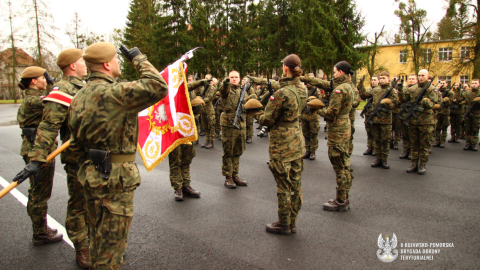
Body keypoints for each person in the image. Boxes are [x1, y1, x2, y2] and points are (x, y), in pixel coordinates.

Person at [68, 42, 169, 269]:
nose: (117, 63)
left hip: (92, 175)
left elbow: (74, 145)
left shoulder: (78, 97)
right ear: (106, 64)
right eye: (115, 59)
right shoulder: (116, 93)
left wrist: (88, 168)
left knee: (97, 242)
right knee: (111, 254)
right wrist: (137, 57)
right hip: (116, 180)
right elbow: (158, 85)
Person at [25, 49, 90, 267]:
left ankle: (96, 244)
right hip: (77, 159)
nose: (85, 64)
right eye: (81, 61)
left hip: (97, 158)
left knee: (95, 204)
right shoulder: (62, 91)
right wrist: (36, 159)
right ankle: (82, 249)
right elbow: (48, 127)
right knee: (79, 205)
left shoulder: (86, 86)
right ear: (72, 65)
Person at [248, 54, 308, 234]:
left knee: (283, 184)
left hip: (282, 143)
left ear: (285, 68)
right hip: (297, 140)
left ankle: (284, 223)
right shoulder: (302, 88)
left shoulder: (281, 94)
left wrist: (254, 112)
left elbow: (267, 119)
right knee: (296, 184)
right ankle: (293, 222)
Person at [13, 66, 61, 246]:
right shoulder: (34, 101)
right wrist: (54, 84)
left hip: (32, 148)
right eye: (43, 77)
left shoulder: (30, 99)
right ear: (34, 81)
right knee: (39, 194)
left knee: (36, 191)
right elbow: (57, 100)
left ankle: (41, 228)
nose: (45, 80)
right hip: (38, 151)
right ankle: (40, 233)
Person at [302, 61, 354, 211]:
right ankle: (343, 196)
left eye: (335, 71)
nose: (333, 74)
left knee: (339, 165)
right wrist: (306, 78)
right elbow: (324, 84)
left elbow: (331, 114)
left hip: (338, 130)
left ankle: (341, 200)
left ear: (341, 72)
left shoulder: (340, 90)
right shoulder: (346, 85)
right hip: (343, 128)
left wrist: (316, 109)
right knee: (343, 164)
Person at [169, 80, 208, 201]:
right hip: (174, 129)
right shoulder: (170, 90)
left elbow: (196, 112)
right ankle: (178, 187)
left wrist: (198, 104)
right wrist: (200, 82)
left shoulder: (191, 93)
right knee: (176, 160)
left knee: (187, 159)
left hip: (188, 129)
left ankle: (186, 185)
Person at [397, 69, 438, 174]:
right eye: (419, 75)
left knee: (424, 145)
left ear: (427, 76)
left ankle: (422, 165)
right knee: (414, 144)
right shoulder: (412, 89)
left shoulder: (432, 89)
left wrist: (426, 103)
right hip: (414, 121)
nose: (421, 77)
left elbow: (434, 104)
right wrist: (400, 90)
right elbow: (403, 99)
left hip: (426, 122)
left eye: (423, 75)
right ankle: (414, 163)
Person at [358, 71, 399, 169]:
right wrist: (361, 85)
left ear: (388, 79)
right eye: (381, 78)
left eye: (384, 78)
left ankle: (384, 160)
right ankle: (377, 158)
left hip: (386, 121)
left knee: (385, 141)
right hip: (375, 120)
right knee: (376, 140)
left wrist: (388, 106)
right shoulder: (375, 90)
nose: (382, 80)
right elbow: (364, 95)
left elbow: (395, 103)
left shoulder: (392, 91)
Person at [218, 70, 248, 188]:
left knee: (237, 151)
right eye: (232, 77)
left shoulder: (242, 91)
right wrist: (226, 82)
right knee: (228, 152)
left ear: (239, 79)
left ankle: (235, 175)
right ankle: (228, 177)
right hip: (229, 124)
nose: (234, 79)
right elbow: (223, 88)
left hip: (240, 124)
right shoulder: (226, 91)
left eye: (236, 77)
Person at [301, 74, 323, 160]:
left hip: (313, 116)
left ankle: (313, 151)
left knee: (313, 134)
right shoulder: (303, 89)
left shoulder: (316, 90)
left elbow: (320, 102)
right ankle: (307, 150)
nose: (308, 83)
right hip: (304, 115)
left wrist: (312, 100)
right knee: (305, 134)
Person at [358, 75, 379, 156]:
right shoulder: (370, 90)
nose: (373, 81)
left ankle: (375, 148)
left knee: (375, 132)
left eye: (375, 80)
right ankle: (370, 147)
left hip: (376, 114)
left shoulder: (380, 90)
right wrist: (361, 84)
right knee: (369, 131)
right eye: (372, 80)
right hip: (368, 113)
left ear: (378, 81)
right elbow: (363, 96)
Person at [456, 79, 480, 151]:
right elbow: (459, 99)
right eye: (473, 83)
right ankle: (468, 144)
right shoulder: (467, 93)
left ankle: (474, 144)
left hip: (477, 115)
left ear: (479, 84)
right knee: (467, 130)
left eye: (476, 83)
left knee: (475, 130)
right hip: (468, 114)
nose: (474, 84)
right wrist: (458, 91)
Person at [398, 74, 418, 159]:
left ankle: (412, 153)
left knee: (413, 136)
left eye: (413, 79)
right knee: (405, 135)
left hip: (414, 116)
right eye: (410, 79)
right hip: (405, 115)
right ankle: (406, 151)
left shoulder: (419, 89)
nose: (411, 80)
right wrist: (400, 89)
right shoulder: (405, 89)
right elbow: (402, 99)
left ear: (416, 80)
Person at [433, 80, 454, 148]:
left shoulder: (450, 93)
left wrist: (445, 101)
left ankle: (442, 141)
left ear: (446, 84)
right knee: (437, 128)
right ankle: (437, 141)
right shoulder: (437, 92)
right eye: (441, 83)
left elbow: (451, 102)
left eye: (443, 83)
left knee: (444, 128)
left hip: (445, 113)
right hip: (438, 112)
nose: (442, 84)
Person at [199, 74, 216, 149]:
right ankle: (207, 140)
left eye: (207, 78)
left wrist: (201, 100)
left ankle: (211, 142)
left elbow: (210, 98)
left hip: (209, 110)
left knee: (211, 126)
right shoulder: (203, 88)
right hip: (203, 110)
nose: (205, 79)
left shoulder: (211, 88)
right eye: (205, 78)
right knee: (205, 126)